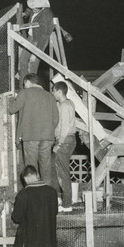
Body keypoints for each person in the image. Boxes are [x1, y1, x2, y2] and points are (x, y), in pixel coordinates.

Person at [9, 73, 59, 187]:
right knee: (46, 169)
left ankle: (34, 196)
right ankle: (47, 196)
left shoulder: (25, 93)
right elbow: (56, 119)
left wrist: (12, 99)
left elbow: (12, 109)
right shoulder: (50, 96)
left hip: (30, 136)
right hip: (47, 137)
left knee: (31, 169)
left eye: (24, 84)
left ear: (27, 82)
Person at [18, 0, 55, 85]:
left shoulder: (46, 16)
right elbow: (29, 9)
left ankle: (32, 85)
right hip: (31, 37)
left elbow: (43, 37)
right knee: (22, 61)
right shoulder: (35, 8)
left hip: (39, 40)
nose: (32, 10)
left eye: (34, 8)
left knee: (33, 63)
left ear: (41, 8)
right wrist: (25, 13)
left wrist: (35, 53)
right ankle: (24, 85)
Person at [52, 81, 76, 213]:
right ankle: (65, 201)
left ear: (59, 92)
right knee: (63, 172)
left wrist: (59, 144)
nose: (52, 93)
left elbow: (65, 127)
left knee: (63, 174)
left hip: (65, 141)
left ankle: (67, 205)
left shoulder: (64, 106)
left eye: (54, 91)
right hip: (70, 140)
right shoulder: (69, 103)